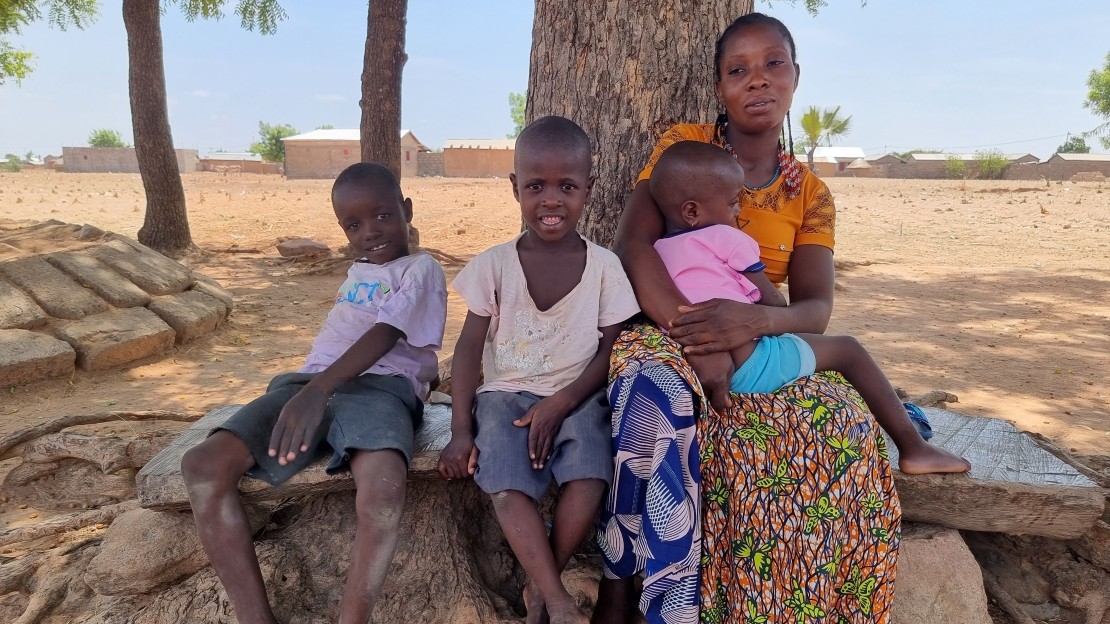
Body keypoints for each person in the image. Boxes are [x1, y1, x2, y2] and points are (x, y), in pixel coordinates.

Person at [593, 13, 906, 624]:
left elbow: (815, 310)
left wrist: (750, 324)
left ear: (795, 76)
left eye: (774, 65)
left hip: (755, 339)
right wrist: (696, 335)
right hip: (664, 330)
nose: (757, 82)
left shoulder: (809, 193)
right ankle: (635, 595)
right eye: (738, 70)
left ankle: (779, 606)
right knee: (652, 401)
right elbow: (634, 246)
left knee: (839, 428)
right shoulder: (683, 148)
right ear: (719, 88)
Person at [181, 162, 448, 624]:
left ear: (406, 210)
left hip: (381, 390)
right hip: (310, 386)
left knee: (383, 490)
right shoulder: (358, 272)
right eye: (354, 224)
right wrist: (312, 390)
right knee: (201, 467)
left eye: (383, 215)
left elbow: (385, 333)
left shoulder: (420, 268)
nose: (371, 231)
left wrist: (319, 391)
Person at [649, 140, 971, 474]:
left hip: (693, 367)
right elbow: (772, 301)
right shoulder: (728, 239)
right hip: (751, 362)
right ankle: (914, 448)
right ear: (692, 212)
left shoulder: (656, 253)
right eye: (732, 203)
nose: (738, 212)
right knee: (848, 350)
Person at [437, 115, 639, 624]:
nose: (551, 200)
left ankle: (539, 588)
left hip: (579, 394)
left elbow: (612, 348)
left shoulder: (604, 267)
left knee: (591, 477)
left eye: (567, 186)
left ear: (589, 190)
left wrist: (562, 402)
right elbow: (466, 351)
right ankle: (558, 600)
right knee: (504, 483)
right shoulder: (494, 265)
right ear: (515, 189)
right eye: (535, 186)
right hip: (504, 396)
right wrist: (462, 431)